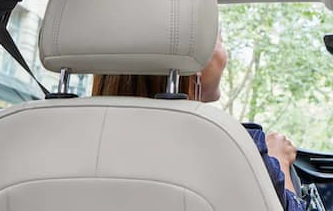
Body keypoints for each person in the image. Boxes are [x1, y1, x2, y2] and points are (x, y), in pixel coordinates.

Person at [93, 34, 305, 211]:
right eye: (219, 39)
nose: (225, 53)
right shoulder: (236, 146)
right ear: (194, 61)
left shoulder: (67, 137)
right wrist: (279, 161)